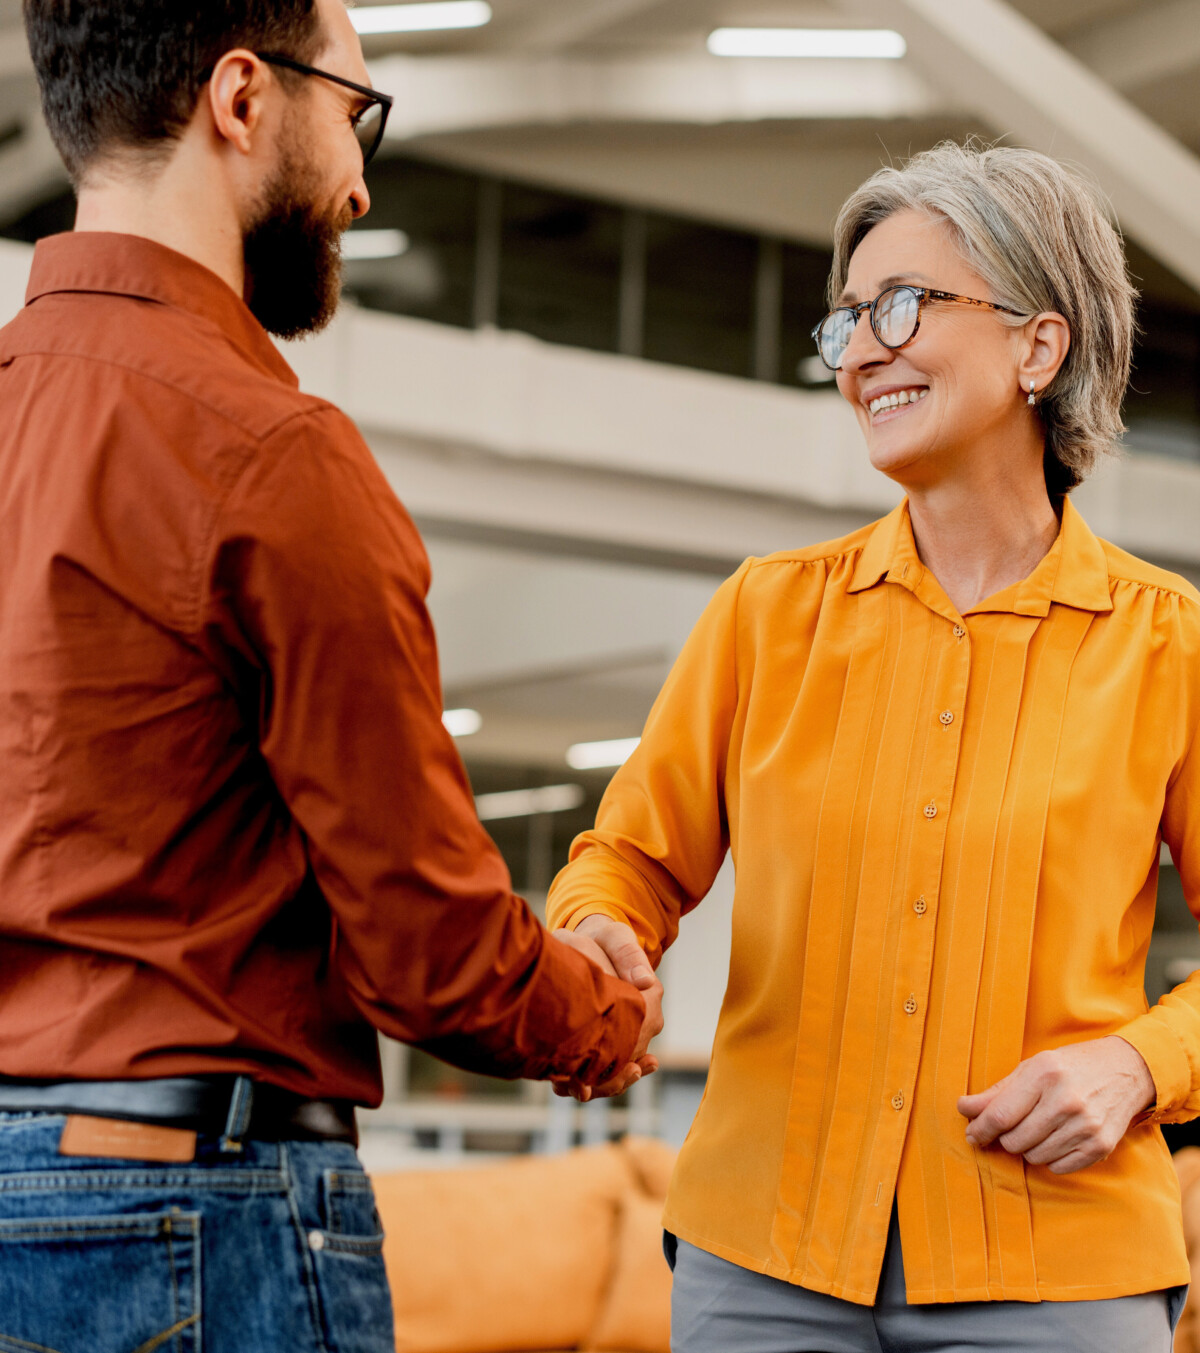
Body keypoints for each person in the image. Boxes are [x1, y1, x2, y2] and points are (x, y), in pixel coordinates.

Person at [0, 1, 660, 1349]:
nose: (359, 181)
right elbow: (429, 950)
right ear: (243, 101)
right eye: (351, 112)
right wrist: (601, 1008)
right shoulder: (270, 452)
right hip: (194, 1215)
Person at [548, 140, 1198, 1352]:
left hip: (1059, 1269)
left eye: (902, 304)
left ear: (1037, 346)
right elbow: (626, 862)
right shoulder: (765, 614)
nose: (864, 350)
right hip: (762, 1262)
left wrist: (1138, 1064)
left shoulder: (1169, 648)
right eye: (847, 321)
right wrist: (599, 931)